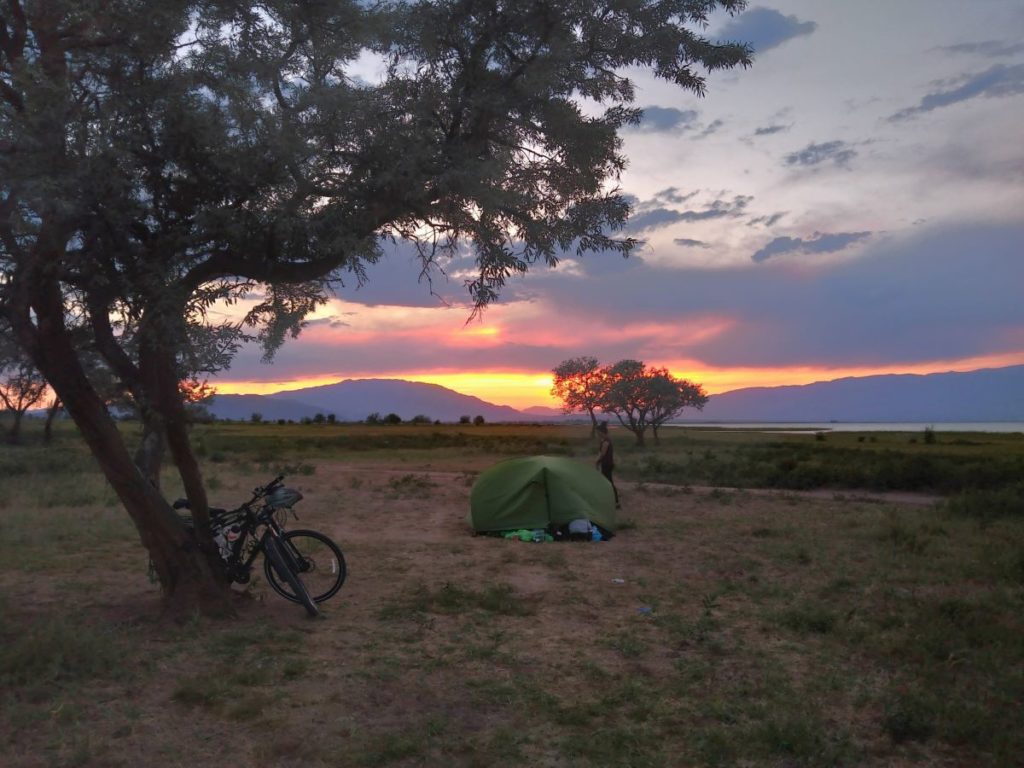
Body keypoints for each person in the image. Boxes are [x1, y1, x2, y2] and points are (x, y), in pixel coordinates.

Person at [595, 421, 620, 508]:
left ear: (602, 432)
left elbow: (602, 454)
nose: (597, 434)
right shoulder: (606, 440)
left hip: (607, 464)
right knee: (607, 482)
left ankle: (616, 502)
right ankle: (612, 501)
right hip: (607, 464)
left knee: (609, 483)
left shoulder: (606, 441)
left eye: (598, 433)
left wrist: (597, 462)